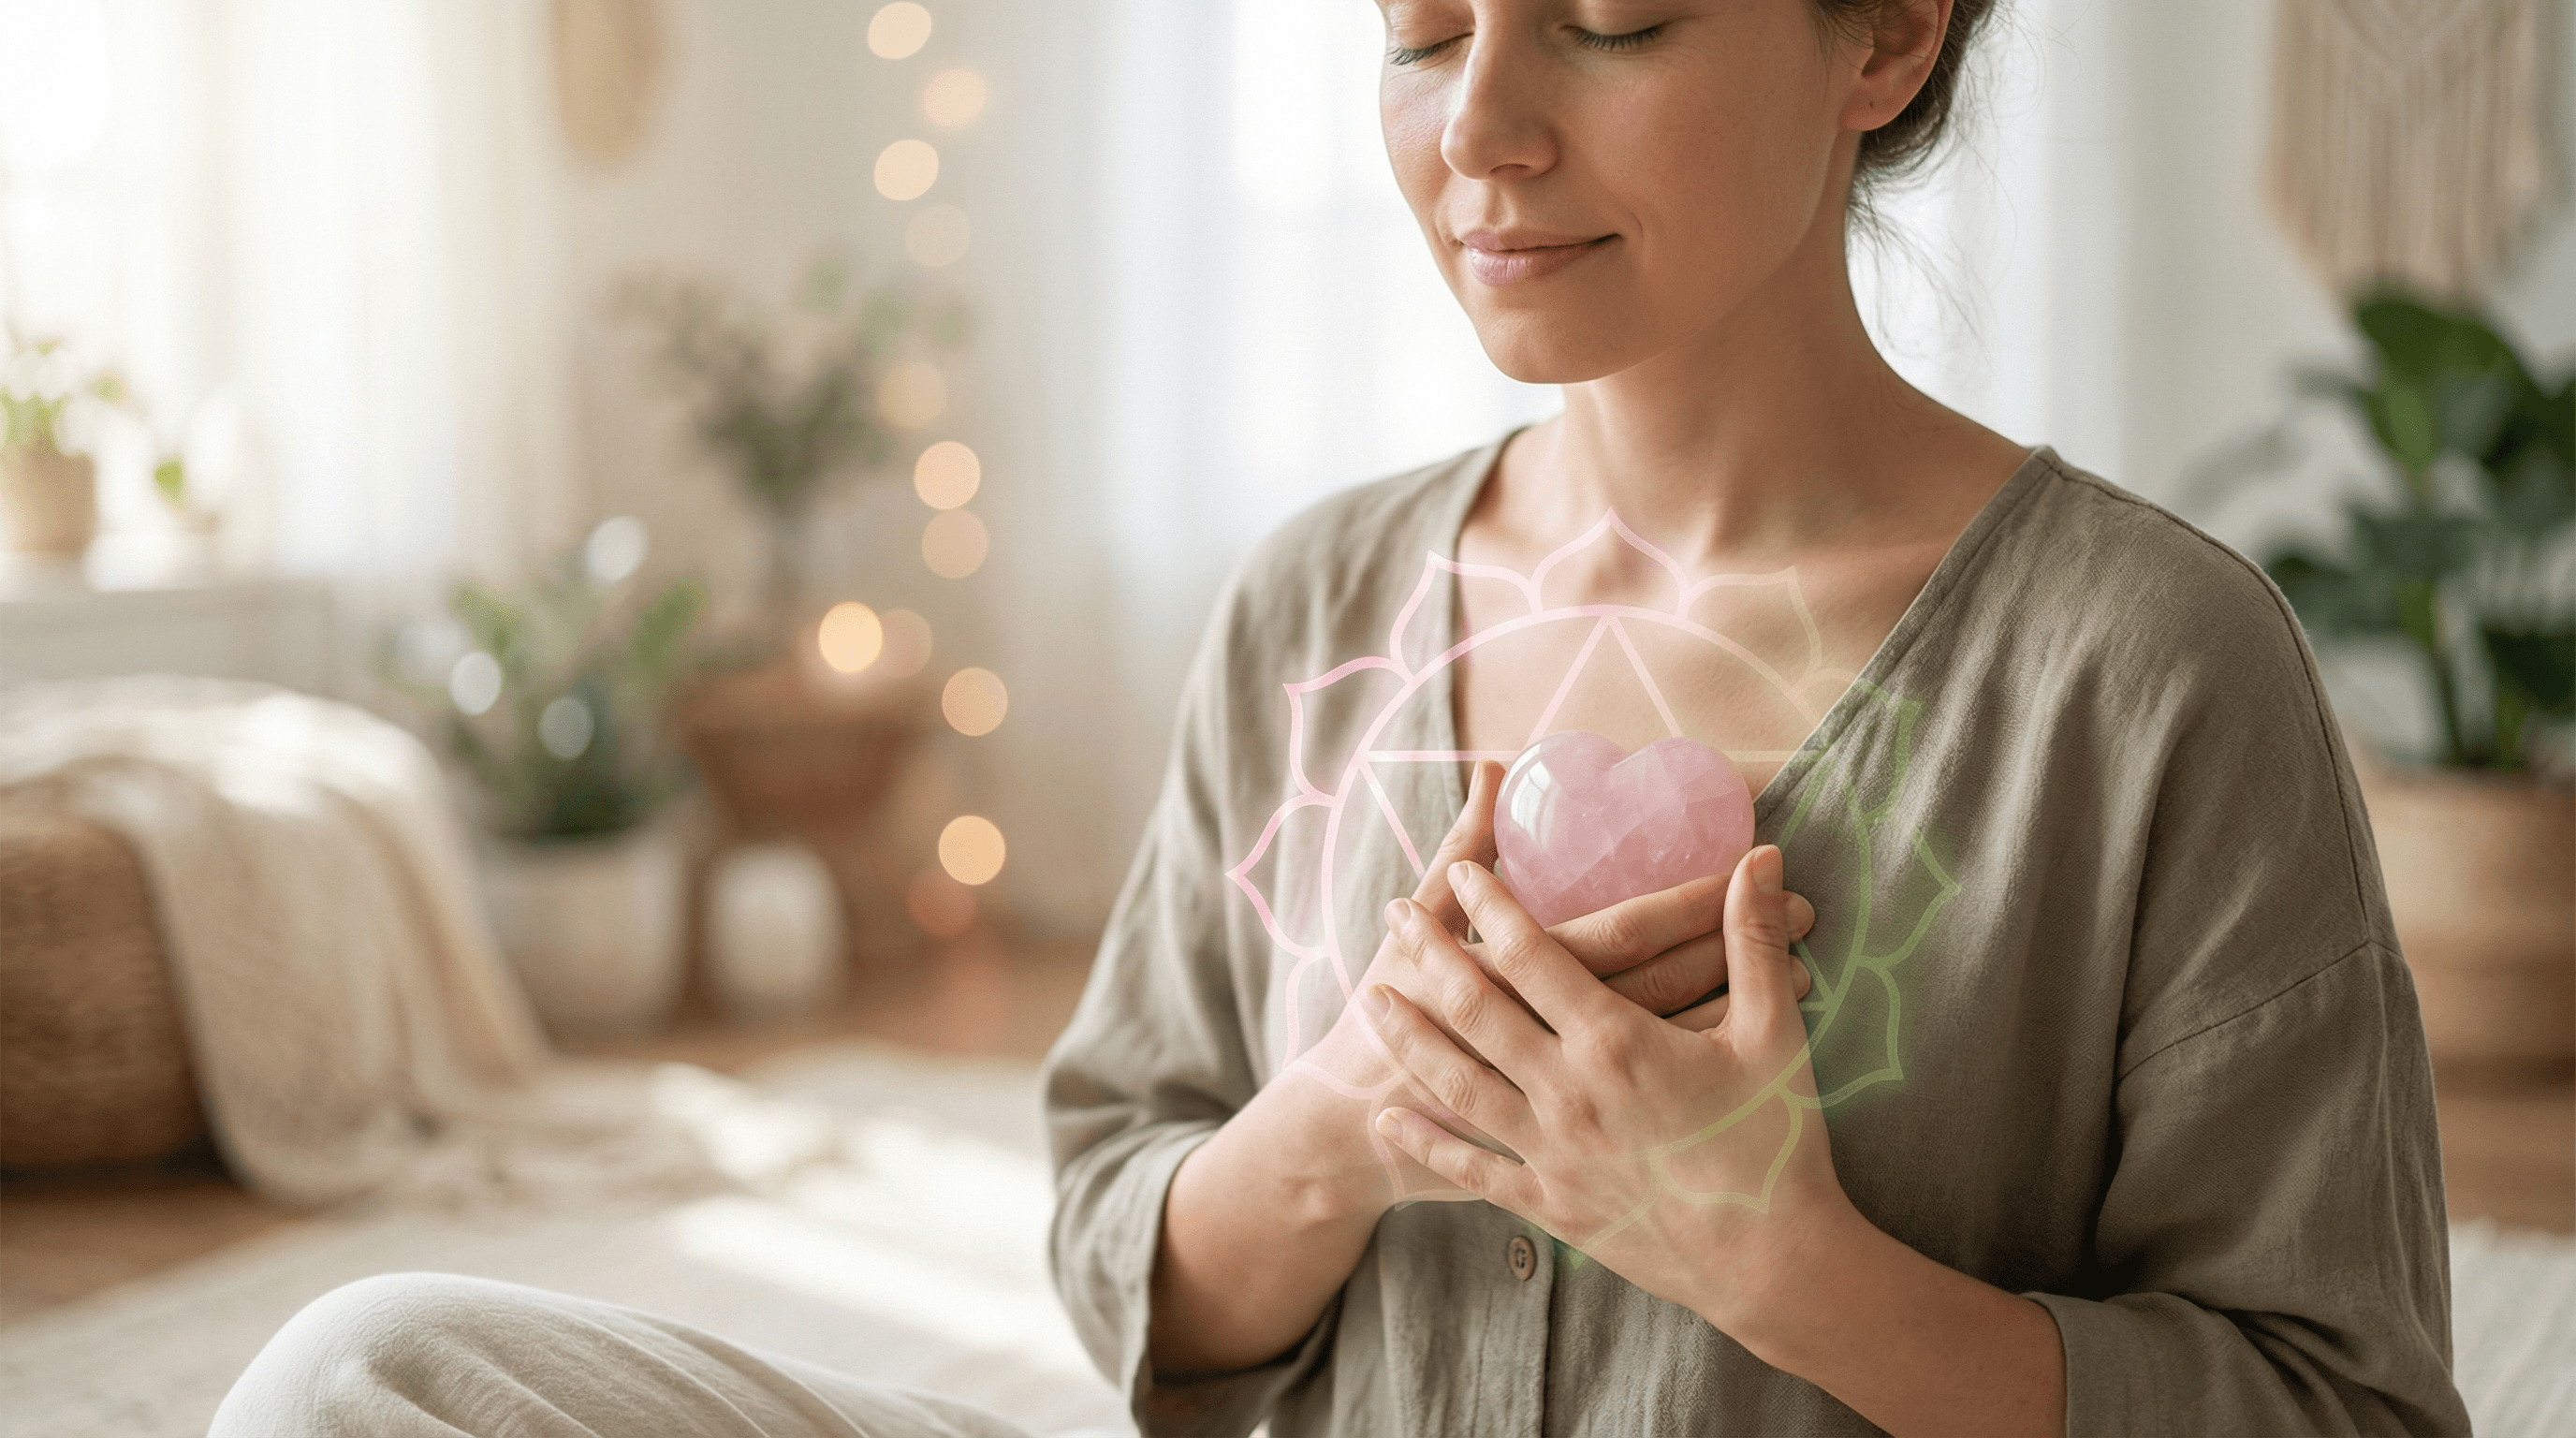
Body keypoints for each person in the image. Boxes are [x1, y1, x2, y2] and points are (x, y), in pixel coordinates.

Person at [212, 2, 2471, 1435]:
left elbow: (2341, 1409)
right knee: (370, 1379)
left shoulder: (2151, 672)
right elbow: (1134, 1236)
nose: (1477, 129)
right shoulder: (1312, 599)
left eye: (1604, 19)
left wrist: (1777, 1264)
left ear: (1880, 32)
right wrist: (1345, 1117)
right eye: (1415, 29)